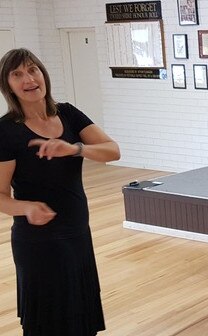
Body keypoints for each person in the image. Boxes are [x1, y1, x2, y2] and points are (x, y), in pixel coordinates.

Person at [0, 48, 120, 335]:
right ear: (8, 86)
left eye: (32, 70)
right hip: (37, 241)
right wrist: (26, 208)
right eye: (17, 74)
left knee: (81, 318)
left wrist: (74, 148)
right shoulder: (6, 131)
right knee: (47, 323)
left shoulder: (67, 113)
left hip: (77, 229)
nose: (28, 79)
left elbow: (112, 151)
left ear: (43, 74)